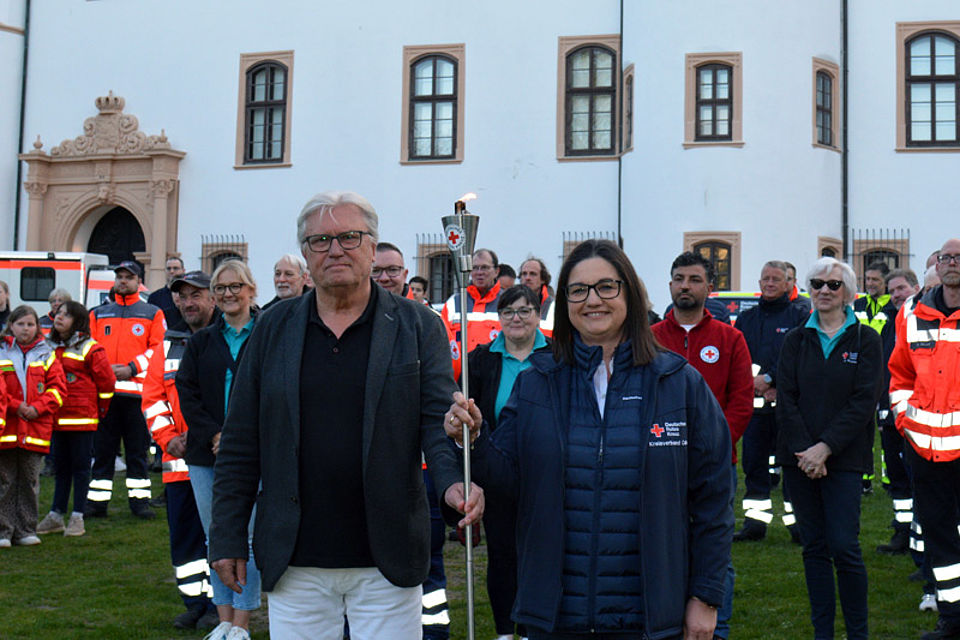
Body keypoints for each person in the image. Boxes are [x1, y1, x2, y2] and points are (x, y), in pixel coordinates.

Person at [208, 191, 481, 639]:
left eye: (349, 237)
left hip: (385, 555)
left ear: (372, 247)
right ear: (305, 254)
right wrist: (227, 536)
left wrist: (454, 482)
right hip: (296, 557)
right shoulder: (272, 329)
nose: (335, 249)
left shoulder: (417, 326)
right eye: (320, 241)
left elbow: (438, 420)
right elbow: (240, 441)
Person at [446, 238, 732, 639]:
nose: (592, 300)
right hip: (560, 614)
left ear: (629, 292)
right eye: (578, 290)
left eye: (606, 286)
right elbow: (506, 481)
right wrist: (472, 437)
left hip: (651, 613)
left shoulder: (677, 383)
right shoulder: (537, 383)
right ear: (564, 302)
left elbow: (714, 499)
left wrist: (706, 596)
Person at [776, 257, 882, 640]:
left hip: (845, 459)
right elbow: (785, 398)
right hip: (799, 460)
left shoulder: (865, 339)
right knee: (814, 548)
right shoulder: (795, 339)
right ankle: (823, 633)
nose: (823, 290)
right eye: (817, 283)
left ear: (847, 293)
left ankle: (857, 633)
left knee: (844, 546)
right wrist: (807, 451)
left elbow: (863, 400)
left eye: (833, 285)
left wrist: (826, 448)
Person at [651, 251, 753, 640]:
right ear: (670, 284)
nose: (685, 286)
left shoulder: (730, 339)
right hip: (660, 461)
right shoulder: (651, 339)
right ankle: (665, 622)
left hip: (715, 464)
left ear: (709, 288)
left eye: (694, 279)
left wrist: (711, 448)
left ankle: (716, 627)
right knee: (663, 543)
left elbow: (741, 402)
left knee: (714, 547)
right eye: (679, 278)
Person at [372, 240, 454, 639]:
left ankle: (434, 629)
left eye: (393, 270)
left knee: (428, 557)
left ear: (406, 275)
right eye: (378, 271)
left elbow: (437, 400)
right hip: (376, 470)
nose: (386, 277)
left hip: (422, 469)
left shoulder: (425, 323)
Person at [177, 260, 262, 640]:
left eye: (236, 286)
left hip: (256, 451)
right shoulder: (200, 342)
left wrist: (243, 436)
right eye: (222, 288)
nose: (229, 293)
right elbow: (187, 394)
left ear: (250, 290)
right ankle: (224, 618)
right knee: (216, 535)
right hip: (206, 453)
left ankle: (243, 620)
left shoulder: (267, 336)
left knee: (249, 535)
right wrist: (213, 434)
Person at [465, 284, 550, 640]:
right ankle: (504, 631)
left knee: (538, 554)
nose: (516, 318)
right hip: (497, 472)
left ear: (537, 315)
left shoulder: (557, 357)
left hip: (544, 473)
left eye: (524, 310)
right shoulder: (481, 360)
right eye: (508, 312)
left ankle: (532, 627)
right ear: (499, 318)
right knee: (502, 553)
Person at [889, 239, 960, 640]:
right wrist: (905, 419)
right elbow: (899, 373)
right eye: (946, 257)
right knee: (939, 536)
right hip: (925, 448)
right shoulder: (912, 312)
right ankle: (952, 617)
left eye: (959, 258)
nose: (952, 264)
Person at [143, 270, 220, 631]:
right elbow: (153, 399)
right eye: (183, 297)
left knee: (219, 535)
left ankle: (222, 604)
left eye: (196, 295)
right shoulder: (167, 346)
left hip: (220, 460)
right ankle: (194, 602)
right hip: (178, 462)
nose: (189, 303)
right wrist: (168, 439)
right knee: (186, 539)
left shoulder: (226, 341)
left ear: (213, 299)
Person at [734, 260, 809, 541]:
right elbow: (738, 356)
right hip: (754, 408)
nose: (769, 283)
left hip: (787, 407)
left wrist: (772, 380)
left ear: (790, 283)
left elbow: (799, 357)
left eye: (776, 279)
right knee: (753, 465)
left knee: (791, 467)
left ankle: (798, 524)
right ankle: (755, 523)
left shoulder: (798, 317)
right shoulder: (747, 318)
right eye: (765, 278)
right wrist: (753, 384)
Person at [87, 261, 165, 519]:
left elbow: (156, 349)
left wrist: (132, 368)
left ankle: (139, 502)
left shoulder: (152, 313)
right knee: (103, 451)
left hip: (137, 395)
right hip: (106, 395)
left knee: (137, 452)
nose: (122, 281)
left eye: (128, 277)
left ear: (138, 281)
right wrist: (105, 372)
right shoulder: (98, 314)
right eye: (119, 276)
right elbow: (90, 347)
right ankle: (97, 502)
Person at [36, 301, 115, 538]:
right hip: (57, 417)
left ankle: (78, 516)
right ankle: (56, 515)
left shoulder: (90, 348)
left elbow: (107, 383)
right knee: (61, 467)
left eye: (66, 315)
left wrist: (98, 410)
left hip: (82, 418)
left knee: (81, 467)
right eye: (58, 314)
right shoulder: (48, 346)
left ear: (78, 320)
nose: (59, 318)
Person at [0, 305, 66, 547]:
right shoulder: (2, 351)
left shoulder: (46, 353)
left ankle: (27, 529)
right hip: (7, 427)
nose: (25, 329)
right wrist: (17, 406)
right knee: (6, 481)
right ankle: (4, 531)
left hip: (35, 428)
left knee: (29, 480)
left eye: (30, 324)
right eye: (20, 324)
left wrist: (37, 407)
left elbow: (58, 389)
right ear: (11, 326)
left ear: (37, 327)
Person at [875, 267, 921, 556]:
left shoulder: (922, 320)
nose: (895, 295)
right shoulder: (889, 322)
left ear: (915, 288)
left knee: (920, 479)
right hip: (888, 413)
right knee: (897, 479)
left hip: (917, 416)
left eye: (901, 288)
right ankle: (902, 532)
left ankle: (921, 538)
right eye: (891, 291)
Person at [441, 248, 503, 353]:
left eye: (485, 268)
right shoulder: (453, 303)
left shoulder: (507, 302)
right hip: (460, 369)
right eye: (475, 268)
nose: (479, 272)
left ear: (496, 271)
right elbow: (441, 341)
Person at [520, 257, 556, 336]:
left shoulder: (555, 308)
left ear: (543, 279)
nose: (527, 278)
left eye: (533, 274)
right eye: (524, 274)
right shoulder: (511, 305)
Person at [148, 256, 186, 328]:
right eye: (169, 268)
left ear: (183, 270)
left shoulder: (189, 297)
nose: (172, 271)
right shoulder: (154, 297)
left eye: (175, 268)